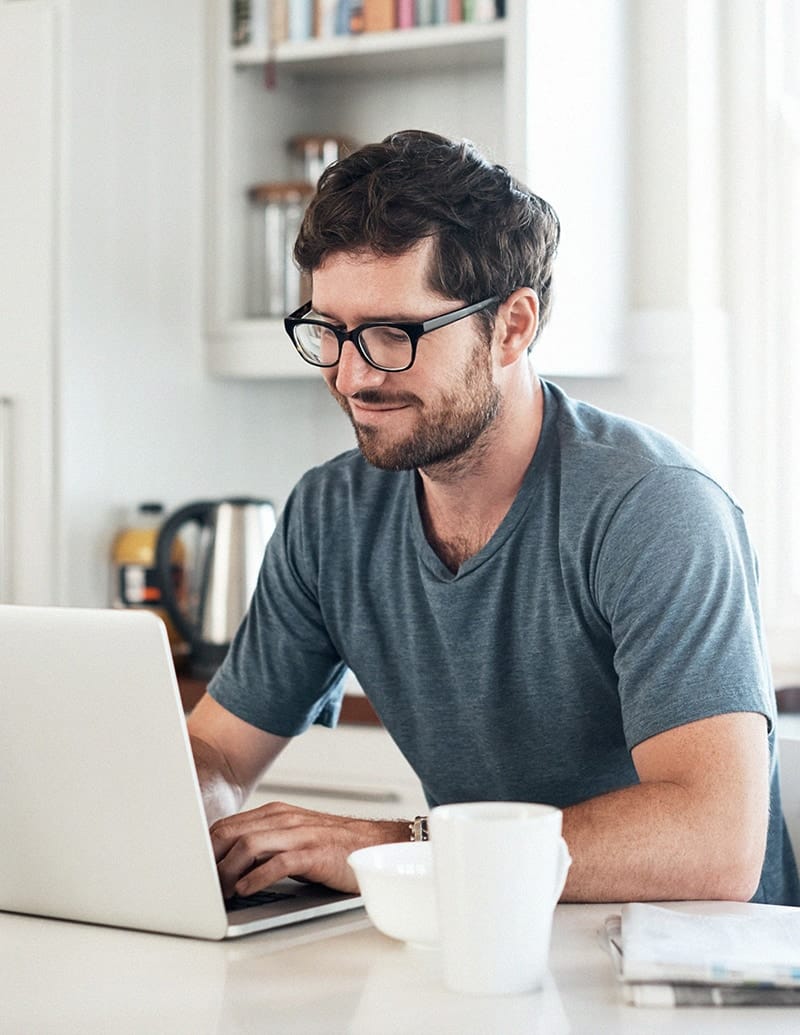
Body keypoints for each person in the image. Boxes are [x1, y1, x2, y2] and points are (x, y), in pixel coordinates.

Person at [188, 129, 799, 907]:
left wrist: (393, 846)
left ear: (513, 326)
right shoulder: (330, 514)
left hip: (681, 981)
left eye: (392, 334)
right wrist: (194, 822)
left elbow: (713, 843)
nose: (351, 376)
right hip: (480, 942)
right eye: (331, 332)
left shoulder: (654, 508)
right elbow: (214, 748)